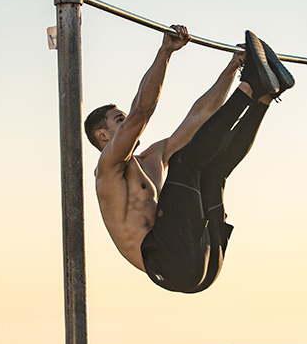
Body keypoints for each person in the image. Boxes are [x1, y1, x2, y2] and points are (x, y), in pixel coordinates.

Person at [85, 27, 295, 293]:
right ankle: (253, 87)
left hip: (206, 259)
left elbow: (200, 116)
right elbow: (141, 111)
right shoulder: (108, 169)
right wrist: (165, 52)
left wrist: (233, 66)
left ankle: (263, 96)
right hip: (168, 266)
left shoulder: (152, 158)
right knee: (184, 163)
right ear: (102, 135)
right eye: (119, 121)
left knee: (212, 173)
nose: (127, 124)